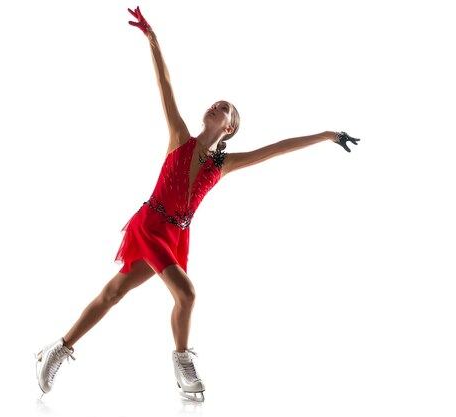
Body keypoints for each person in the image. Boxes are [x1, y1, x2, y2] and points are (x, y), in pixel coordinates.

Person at [35, 6, 360, 402]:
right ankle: (181, 362)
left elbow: (277, 148)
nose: (216, 105)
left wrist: (326, 134)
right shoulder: (179, 137)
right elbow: (165, 84)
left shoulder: (224, 165)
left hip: (175, 236)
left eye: (225, 108)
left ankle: (58, 347)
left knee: (113, 294)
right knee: (185, 294)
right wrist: (153, 39)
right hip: (150, 224)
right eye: (216, 102)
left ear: (229, 128)